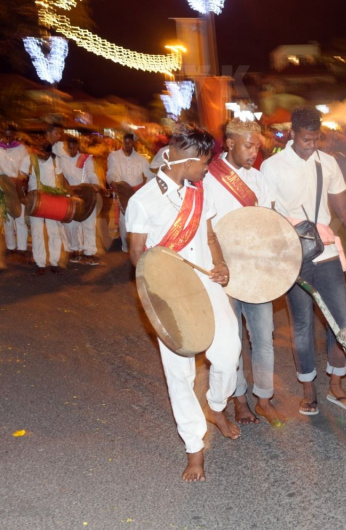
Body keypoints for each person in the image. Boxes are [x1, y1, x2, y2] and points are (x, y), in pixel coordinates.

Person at [126, 123, 242, 482]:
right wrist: (162, 285)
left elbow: (209, 234)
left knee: (229, 352)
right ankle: (194, 448)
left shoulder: (199, 191)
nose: (209, 167)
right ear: (186, 159)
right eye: (205, 161)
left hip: (206, 281)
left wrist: (220, 264)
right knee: (180, 374)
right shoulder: (142, 201)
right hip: (169, 292)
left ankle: (216, 407)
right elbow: (136, 256)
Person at [261, 107, 346, 416]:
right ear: (292, 134)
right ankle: (308, 391)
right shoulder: (272, 167)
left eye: (316, 138)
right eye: (306, 139)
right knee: (301, 325)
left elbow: (344, 209)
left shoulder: (327, 163)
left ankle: (336, 387)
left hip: (327, 252)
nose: (311, 144)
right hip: (293, 255)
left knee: (339, 323)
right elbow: (267, 215)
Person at [204, 118, 286, 427]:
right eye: (249, 146)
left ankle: (263, 398)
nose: (254, 153)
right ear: (230, 143)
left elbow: (268, 219)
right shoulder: (210, 178)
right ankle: (239, 401)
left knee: (263, 337)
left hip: (256, 270)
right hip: (224, 271)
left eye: (258, 148)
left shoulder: (258, 179)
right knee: (232, 340)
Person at [21, 143, 65, 274]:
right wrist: (22, 196)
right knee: (37, 232)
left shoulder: (56, 160)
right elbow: (21, 177)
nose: (41, 155)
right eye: (39, 151)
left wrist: (63, 195)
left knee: (54, 231)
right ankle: (40, 264)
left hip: (52, 199)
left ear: (49, 153)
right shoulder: (29, 159)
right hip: (35, 200)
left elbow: (60, 178)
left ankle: (54, 262)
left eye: (44, 153)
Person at [60, 137, 104, 265]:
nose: (71, 150)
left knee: (88, 225)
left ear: (78, 147)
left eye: (74, 147)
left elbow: (91, 174)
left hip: (86, 194)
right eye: (69, 147)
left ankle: (89, 252)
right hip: (70, 195)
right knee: (71, 225)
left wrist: (95, 184)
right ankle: (74, 250)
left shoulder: (85, 159)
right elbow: (61, 177)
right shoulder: (62, 159)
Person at [107, 133, 150, 251]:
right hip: (123, 193)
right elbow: (112, 171)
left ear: (133, 143)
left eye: (129, 142)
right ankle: (126, 247)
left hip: (138, 194)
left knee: (139, 219)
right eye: (125, 142)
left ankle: (138, 246)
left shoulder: (141, 159)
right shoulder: (114, 156)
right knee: (123, 220)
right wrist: (112, 181)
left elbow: (150, 175)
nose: (127, 145)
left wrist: (147, 190)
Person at [1, 123, 29, 264]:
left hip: (18, 186)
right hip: (3, 186)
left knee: (20, 218)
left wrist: (21, 184)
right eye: (5, 133)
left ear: (14, 134)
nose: (8, 137)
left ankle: (22, 249)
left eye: (10, 134)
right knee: (7, 219)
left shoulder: (21, 148)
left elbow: (25, 168)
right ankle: (11, 248)